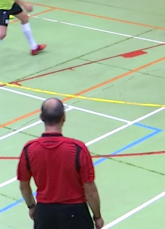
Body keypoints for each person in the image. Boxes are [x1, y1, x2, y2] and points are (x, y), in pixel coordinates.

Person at [17, 98, 104, 229]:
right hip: (75, 213)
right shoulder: (78, 148)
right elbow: (90, 190)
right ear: (64, 117)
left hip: (45, 213)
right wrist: (97, 216)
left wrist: (32, 206)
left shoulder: (29, 149)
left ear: (41, 117)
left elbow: (24, 186)